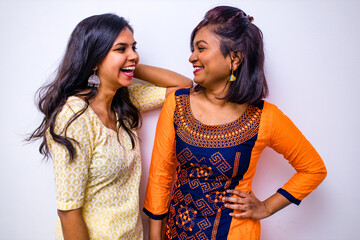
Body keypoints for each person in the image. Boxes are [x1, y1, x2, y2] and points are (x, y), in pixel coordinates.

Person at [143, 6, 327, 240]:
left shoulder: (265, 117)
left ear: (234, 58)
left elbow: (313, 169)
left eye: (201, 48)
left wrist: (267, 207)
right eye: (193, 49)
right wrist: (155, 235)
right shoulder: (177, 104)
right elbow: (160, 175)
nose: (192, 57)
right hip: (176, 233)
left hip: (235, 233)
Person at [27, 13, 192, 239]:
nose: (134, 54)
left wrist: (128, 64)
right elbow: (68, 212)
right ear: (94, 59)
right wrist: (121, 64)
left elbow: (183, 86)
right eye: (121, 48)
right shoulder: (74, 117)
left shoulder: (123, 103)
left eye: (134, 47)